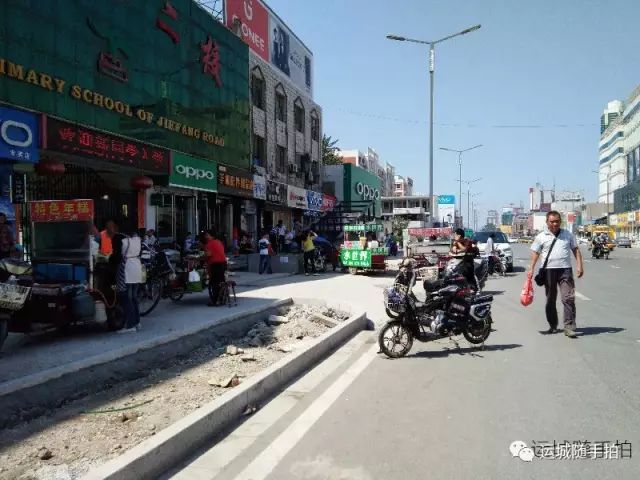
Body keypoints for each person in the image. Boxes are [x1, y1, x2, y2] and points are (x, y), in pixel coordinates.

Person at [529, 210, 584, 338]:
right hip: (548, 271)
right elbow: (535, 253)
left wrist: (580, 265)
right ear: (547, 222)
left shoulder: (568, 235)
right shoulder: (541, 236)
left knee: (568, 298)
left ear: (560, 222)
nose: (555, 224)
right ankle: (553, 325)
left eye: (557, 221)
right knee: (550, 299)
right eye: (552, 221)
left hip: (565, 270)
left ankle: (569, 326)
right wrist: (531, 268)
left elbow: (576, 250)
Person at [113, 222, 143, 333]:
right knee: (134, 297)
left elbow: (118, 255)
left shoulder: (124, 241)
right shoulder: (138, 240)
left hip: (128, 269)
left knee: (127, 298)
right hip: (137, 267)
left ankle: (130, 325)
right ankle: (137, 322)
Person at [204, 230, 227, 306]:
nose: (206, 237)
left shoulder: (209, 244)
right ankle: (222, 298)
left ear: (212, 236)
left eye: (207, 235)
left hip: (216, 265)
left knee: (215, 283)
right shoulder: (219, 242)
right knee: (221, 282)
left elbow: (208, 255)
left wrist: (203, 257)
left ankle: (215, 300)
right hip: (223, 263)